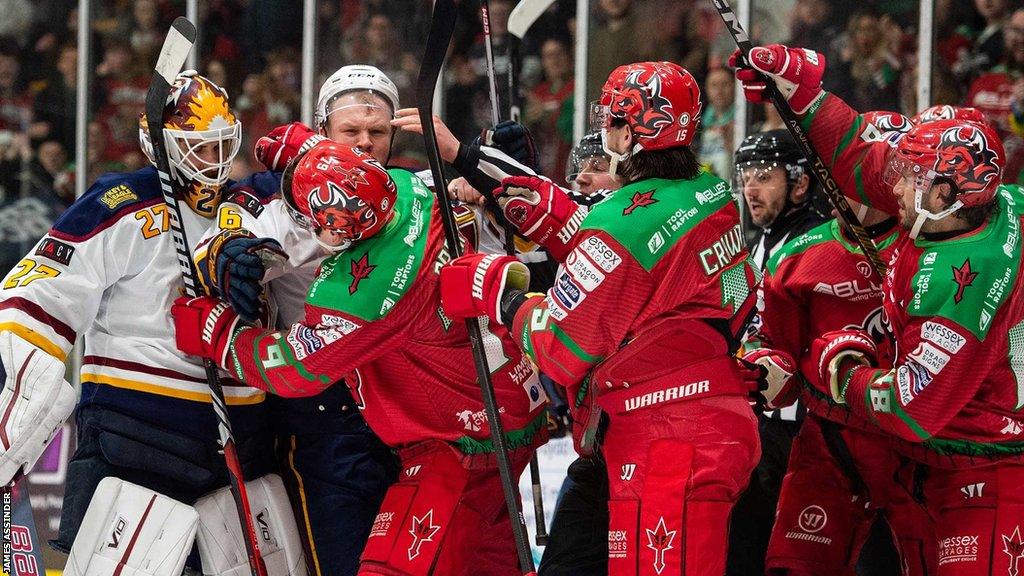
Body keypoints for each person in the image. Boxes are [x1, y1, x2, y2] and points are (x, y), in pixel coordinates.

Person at [441, 61, 762, 576]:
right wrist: (476, 161)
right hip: (702, 419)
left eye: (612, 118)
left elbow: (562, 351)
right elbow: (604, 236)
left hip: (665, 438)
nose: (605, 129)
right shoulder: (708, 191)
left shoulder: (620, 227)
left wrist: (502, 299)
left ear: (633, 130)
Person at [172, 140, 548, 576]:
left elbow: (293, 369)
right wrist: (305, 150)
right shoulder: (408, 188)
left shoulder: (362, 293)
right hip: (505, 412)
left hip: (457, 446)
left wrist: (217, 332)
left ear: (335, 229)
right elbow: (357, 178)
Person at [733, 41, 1024, 576]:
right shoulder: (1001, 202)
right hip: (903, 449)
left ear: (947, 195)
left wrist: (845, 371)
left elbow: (911, 407)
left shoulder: (959, 282)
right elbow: (859, 157)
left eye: (912, 175)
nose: (897, 181)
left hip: (978, 460)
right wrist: (799, 88)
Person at [0, 71, 305, 575]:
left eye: (220, 146)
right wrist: (25, 402)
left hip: (243, 444)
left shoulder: (253, 207)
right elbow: (37, 293)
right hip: (137, 440)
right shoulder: (120, 202)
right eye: (197, 149)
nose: (212, 161)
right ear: (160, 146)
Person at [195, 64, 406, 576]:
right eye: (349, 132)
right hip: (324, 417)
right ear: (321, 130)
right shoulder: (278, 193)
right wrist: (234, 255)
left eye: (377, 133)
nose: (364, 143)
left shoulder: (413, 191)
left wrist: (488, 175)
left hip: (407, 411)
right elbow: (218, 240)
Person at [745, 111, 935, 576]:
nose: (843, 187)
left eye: (861, 174)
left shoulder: (935, 252)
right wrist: (766, 366)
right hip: (828, 441)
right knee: (794, 566)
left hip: (918, 446)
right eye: (836, 172)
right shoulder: (797, 257)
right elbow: (771, 346)